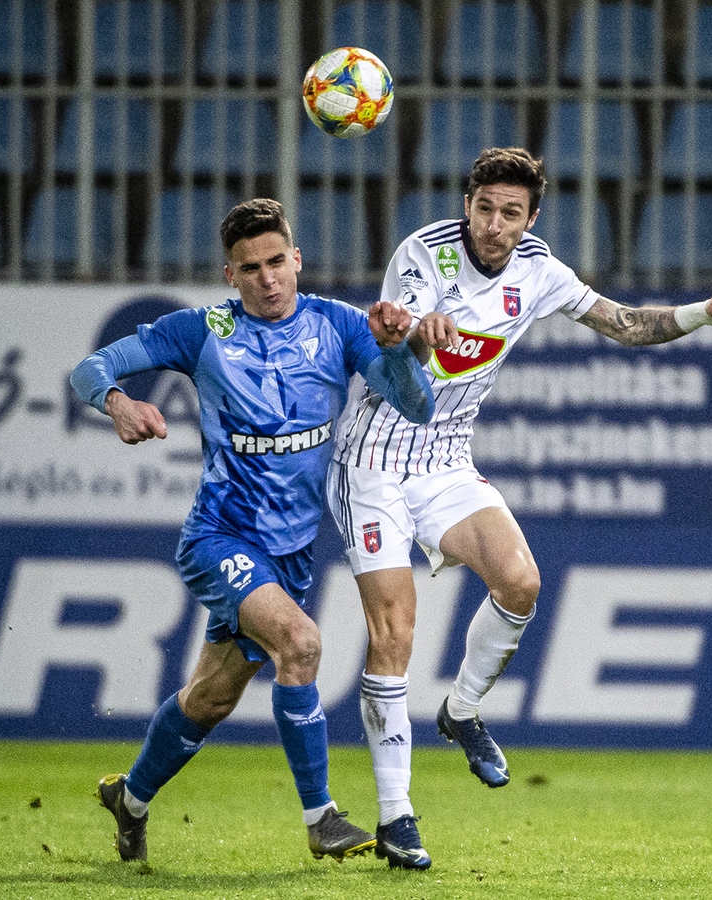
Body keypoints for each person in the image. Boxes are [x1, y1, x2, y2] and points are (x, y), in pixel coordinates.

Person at [329, 148, 712, 870]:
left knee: (521, 582)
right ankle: (397, 814)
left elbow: (626, 324)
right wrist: (416, 329)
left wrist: (705, 312)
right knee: (395, 632)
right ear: (467, 204)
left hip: (444, 460)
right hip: (373, 457)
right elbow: (401, 325)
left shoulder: (539, 271)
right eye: (484, 208)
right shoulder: (424, 253)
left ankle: (461, 711)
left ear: (531, 219)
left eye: (511, 213)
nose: (493, 225)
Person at [71, 198, 434, 865]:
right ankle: (322, 817)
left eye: (275, 262)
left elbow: (417, 406)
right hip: (219, 537)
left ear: (296, 259)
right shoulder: (201, 330)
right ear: (230, 275)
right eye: (250, 268)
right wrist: (118, 402)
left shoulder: (338, 325)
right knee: (302, 642)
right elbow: (89, 369)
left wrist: (398, 350)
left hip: (289, 555)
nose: (267, 279)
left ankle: (131, 799)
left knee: (211, 698)